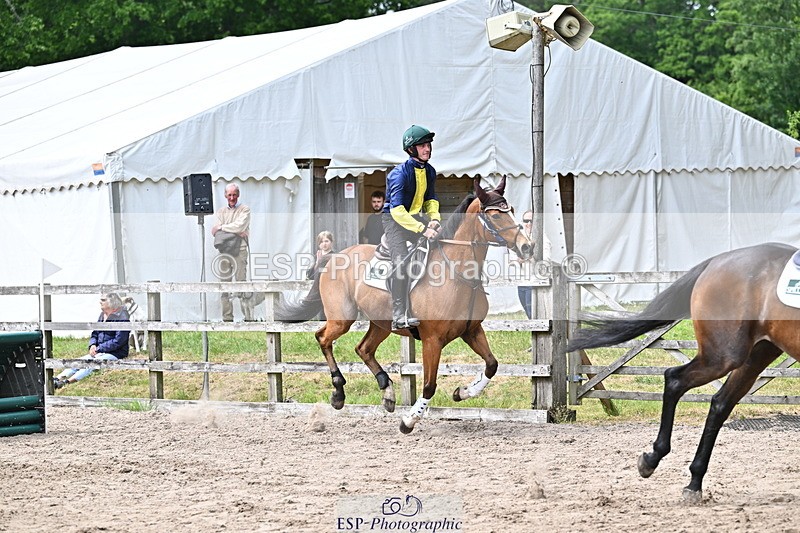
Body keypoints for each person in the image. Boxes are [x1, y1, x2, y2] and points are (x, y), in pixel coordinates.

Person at [382, 124, 442, 330]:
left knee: (440, 246)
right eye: (423, 145)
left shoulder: (430, 171)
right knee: (401, 262)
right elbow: (397, 210)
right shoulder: (399, 174)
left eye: (429, 145)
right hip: (394, 221)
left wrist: (434, 219)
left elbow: (431, 199)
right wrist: (423, 229)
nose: (428, 149)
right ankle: (398, 314)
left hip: (415, 218)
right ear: (411, 149)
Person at [53, 293, 130, 389]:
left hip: (116, 353)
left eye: (103, 300)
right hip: (100, 350)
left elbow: (119, 340)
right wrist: (93, 345)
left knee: (92, 364)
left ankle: (66, 382)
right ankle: (57, 379)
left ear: (112, 302)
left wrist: (99, 348)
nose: (100, 302)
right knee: (79, 362)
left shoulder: (122, 317)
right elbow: (95, 333)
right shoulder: (102, 315)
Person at [211, 183, 254, 322]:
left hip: (240, 251)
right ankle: (227, 318)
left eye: (234, 194)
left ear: (238, 195)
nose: (232, 197)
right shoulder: (221, 211)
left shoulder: (245, 209)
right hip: (224, 251)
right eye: (229, 195)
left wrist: (222, 228)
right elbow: (217, 233)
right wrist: (235, 231)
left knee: (241, 284)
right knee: (224, 285)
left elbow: (239, 226)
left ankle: (247, 318)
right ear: (225, 195)